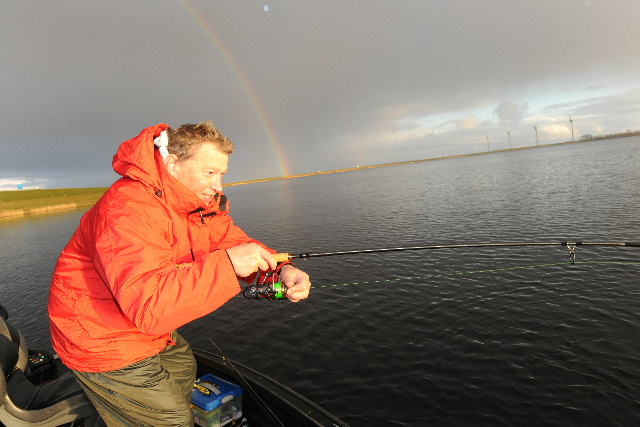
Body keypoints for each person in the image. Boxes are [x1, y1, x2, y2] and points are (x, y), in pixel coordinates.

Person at [48, 121, 311, 427]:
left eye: (222, 174)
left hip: (138, 325)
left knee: (184, 366)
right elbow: (151, 309)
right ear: (173, 164)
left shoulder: (196, 205)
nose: (218, 186)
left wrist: (281, 270)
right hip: (98, 334)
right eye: (209, 172)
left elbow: (231, 242)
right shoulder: (128, 209)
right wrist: (228, 265)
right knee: (172, 420)